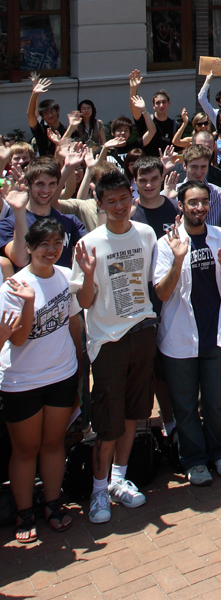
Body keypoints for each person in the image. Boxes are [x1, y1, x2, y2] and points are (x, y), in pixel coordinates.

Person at [68, 169, 158, 522]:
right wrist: (89, 274)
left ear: (131, 197)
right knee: (108, 422)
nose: (119, 206)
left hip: (142, 331)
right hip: (107, 341)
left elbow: (149, 282)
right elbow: (84, 302)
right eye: (111, 201)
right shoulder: (89, 244)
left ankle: (119, 479)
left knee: (134, 412)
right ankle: (98, 490)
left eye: (124, 198)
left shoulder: (146, 234)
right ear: (100, 204)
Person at [0, 217, 88, 541]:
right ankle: (24, 513)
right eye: (43, 245)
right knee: (25, 450)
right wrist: (28, 302)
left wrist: (79, 366)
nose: (51, 250)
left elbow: (73, 322)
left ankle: (53, 503)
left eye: (57, 243)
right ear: (29, 247)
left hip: (61, 374)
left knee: (53, 444)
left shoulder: (65, 276)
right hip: (22, 381)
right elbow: (18, 339)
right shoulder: (13, 287)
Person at [154, 181, 221, 483]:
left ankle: (220, 452)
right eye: (192, 202)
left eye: (204, 202)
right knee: (185, 405)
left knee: (217, 401)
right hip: (179, 339)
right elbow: (162, 293)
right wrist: (178, 259)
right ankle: (193, 460)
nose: (199, 208)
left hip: (216, 335)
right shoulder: (166, 243)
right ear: (181, 206)